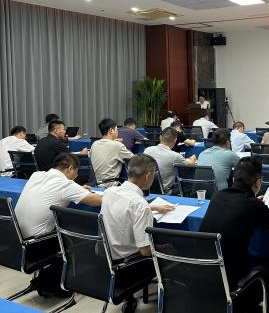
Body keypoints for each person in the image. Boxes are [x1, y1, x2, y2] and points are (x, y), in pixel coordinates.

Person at [200, 157, 269, 312]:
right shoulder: (253, 205)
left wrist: (255, 201)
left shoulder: (218, 195)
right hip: (234, 284)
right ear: (258, 182)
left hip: (203, 276)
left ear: (234, 178)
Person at [15, 154, 102, 297]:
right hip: (36, 244)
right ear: (70, 168)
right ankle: (61, 284)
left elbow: (55, 190)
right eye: (76, 173)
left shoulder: (37, 175)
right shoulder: (65, 184)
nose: (76, 177)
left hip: (16, 239)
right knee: (74, 236)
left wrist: (78, 190)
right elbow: (96, 201)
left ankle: (46, 280)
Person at [100, 154, 174, 312]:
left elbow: (125, 207)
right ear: (148, 176)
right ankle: (173, 298)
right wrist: (165, 247)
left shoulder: (109, 192)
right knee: (171, 248)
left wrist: (152, 207)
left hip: (106, 259)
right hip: (129, 266)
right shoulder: (140, 206)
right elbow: (145, 251)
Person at [144, 127, 197, 192]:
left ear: (160, 137)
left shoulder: (147, 150)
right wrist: (193, 158)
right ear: (175, 140)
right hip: (166, 191)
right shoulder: (175, 156)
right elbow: (191, 164)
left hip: (147, 189)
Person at [89, 118, 133, 187]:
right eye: (116, 129)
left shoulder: (94, 144)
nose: (117, 132)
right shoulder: (117, 145)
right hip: (112, 185)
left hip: (96, 185)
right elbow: (134, 159)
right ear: (111, 130)